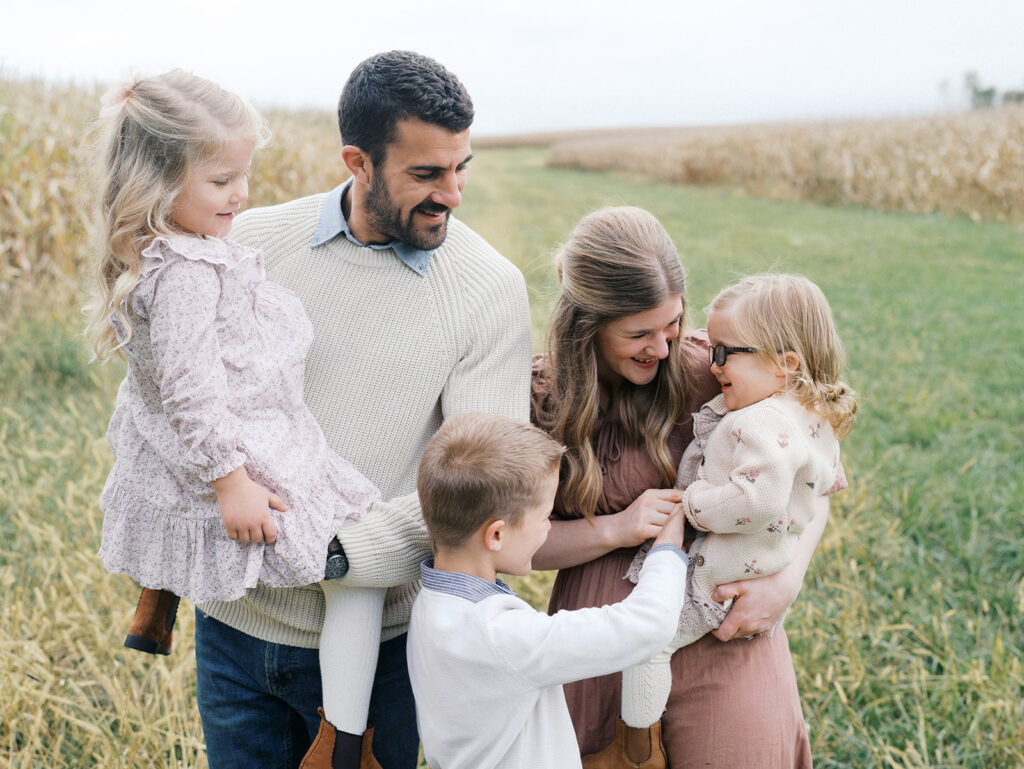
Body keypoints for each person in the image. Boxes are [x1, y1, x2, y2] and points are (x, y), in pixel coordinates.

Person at [196, 51, 533, 769]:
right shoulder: (250, 244)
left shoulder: (489, 289)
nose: (453, 194)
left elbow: (483, 488)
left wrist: (338, 554)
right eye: (427, 174)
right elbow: (191, 396)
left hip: (384, 648)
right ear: (358, 162)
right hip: (233, 627)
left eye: (461, 168)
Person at [87, 69, 390, 769]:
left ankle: (157, 598)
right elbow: (190, 390)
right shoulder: (187, 272)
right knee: (362, 561)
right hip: (243, 438)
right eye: (222, 180)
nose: (242, 194)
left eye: (243, 175)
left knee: (176, 496)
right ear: (158, 182)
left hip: (190, 435)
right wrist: (231, 481)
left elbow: (158, 384)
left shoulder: (166, 252)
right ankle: (344, 737)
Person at [531, 207, 844, 769]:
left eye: (671, 323)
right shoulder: (544, 401)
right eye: (638, 334)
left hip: (719, 621)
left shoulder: (716, 372)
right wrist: (614, 529)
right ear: (587, 324)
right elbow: (514, 546)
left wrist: (788, 580)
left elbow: (812, 482)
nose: (661, 347)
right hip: (607, 631)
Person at [618, 273, 858, 743]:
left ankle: (635, 749)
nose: (713, 366)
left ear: (786, 363)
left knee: (649, 642)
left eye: (726, 352)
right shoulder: (813, 415)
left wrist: (693, 504)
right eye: (712, 350)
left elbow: (756, 501)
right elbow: (826, 483)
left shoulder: (763, 420)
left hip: (720, 580)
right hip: (760, 569)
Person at [407, 412, 689, 769]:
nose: (548, 529)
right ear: (496, 535)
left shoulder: (432, 605)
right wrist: (668, 549)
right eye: (545, 518)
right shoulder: (501, 636)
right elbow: (648, 626)